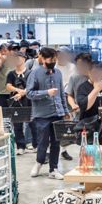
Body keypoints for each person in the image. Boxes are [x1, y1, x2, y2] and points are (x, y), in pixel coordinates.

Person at [26, 46, 69, 180]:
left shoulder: (58, 73)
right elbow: (29, 93)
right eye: (50, 59)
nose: (53, 61)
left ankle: (53, 169)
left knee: (56, 142)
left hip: (58, 113)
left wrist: (65, 110)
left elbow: (62, 93)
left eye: (54, 59)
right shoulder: (35, 73)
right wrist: (46, 93)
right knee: (43, 141)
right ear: (43, 59)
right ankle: (39, 163)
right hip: (42, 114)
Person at [5, 52, 33, 153]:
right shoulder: (11, 73)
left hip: (29, 101)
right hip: (15, 102)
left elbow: (31, 86)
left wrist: (22, 93)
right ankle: (21, 146)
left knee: (32, 123)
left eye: (19, 58)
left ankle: (35, 144)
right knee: (17, 124)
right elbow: (8, 86)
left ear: (24, 59)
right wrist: (18, 90)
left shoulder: (30, 73)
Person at [76, 61, 102, 133]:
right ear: (89, 73)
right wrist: (96, 89)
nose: (98, 76)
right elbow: (84, 106)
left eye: (101, 73)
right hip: (89, 126)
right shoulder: (83, 87)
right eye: (95, 73)